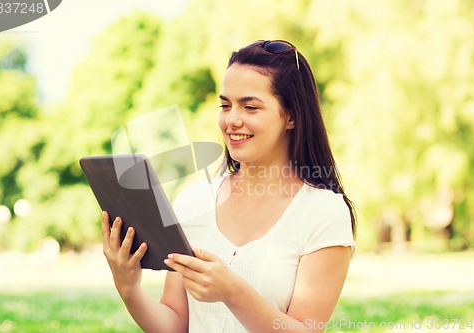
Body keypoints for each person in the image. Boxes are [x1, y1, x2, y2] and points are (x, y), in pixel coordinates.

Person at [102, 39, 357, 333]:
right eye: (225, 105)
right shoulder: (194, 201)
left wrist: (232, 292)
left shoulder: (323, 211)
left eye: (250, 107)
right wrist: (129, 288)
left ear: (291, 116)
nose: (232, 120)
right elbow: (175, 324)